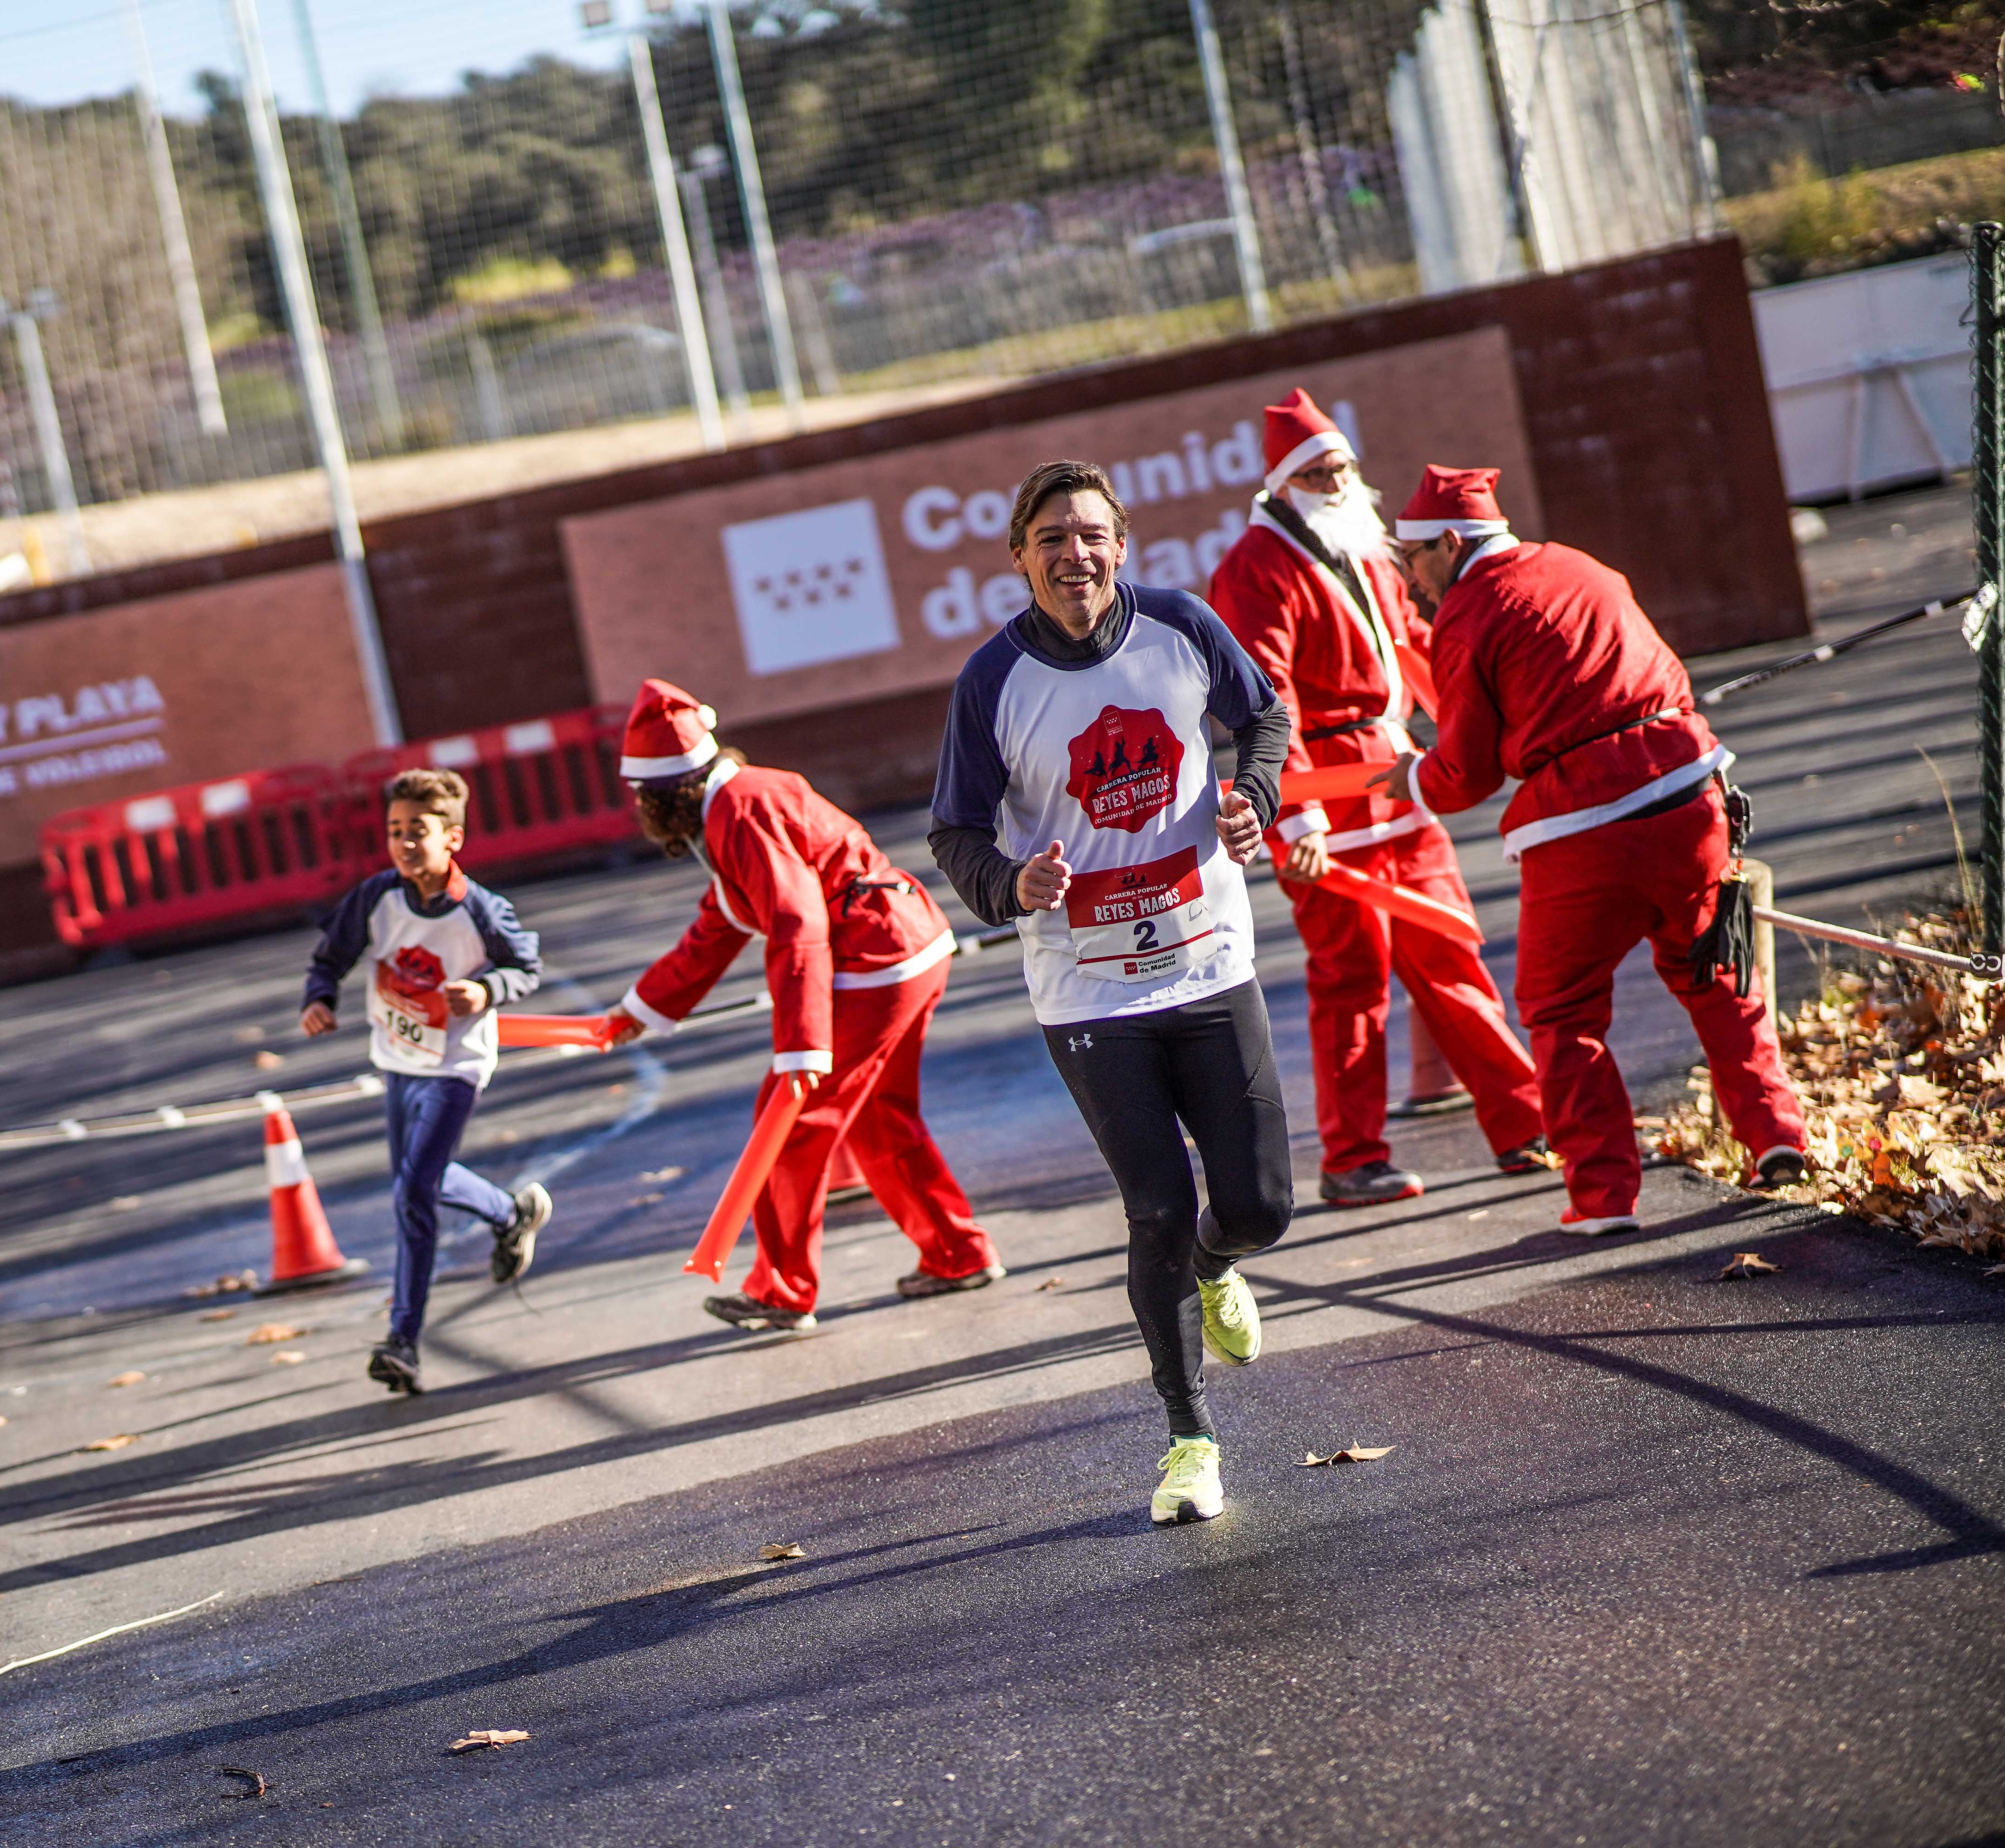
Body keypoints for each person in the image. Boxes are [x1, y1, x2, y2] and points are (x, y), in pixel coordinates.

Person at [930, 458, 1293, 1528]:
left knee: (1259, 1205)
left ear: (1121, 546)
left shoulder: (1181, 627)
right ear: (1020, 559)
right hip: (1087, 993)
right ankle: (1191, 1440)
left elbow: (1264, 718)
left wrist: (1255, 800)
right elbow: (954, 830)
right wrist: (1009, 882)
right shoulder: (991, 681)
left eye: (1091, 534)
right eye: (1051, 538)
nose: (1074, 554)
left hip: (1209, 958)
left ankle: (1221, 1263)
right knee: (1154, 1207)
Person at [1377, 465, 1808, 1234]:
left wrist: (1412, 776)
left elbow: (1466, 773)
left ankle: (1605, 1198)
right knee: (1715, 973)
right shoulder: (1581, 565)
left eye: (1412, 562)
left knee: (1563, 1010)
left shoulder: (1470, 614)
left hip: (1581, 832)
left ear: (1448, 542)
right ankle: (1777, 1135)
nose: (1411, 584)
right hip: (1689, 798)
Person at [1208, 390, 1548, 1206]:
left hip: (1398, 777)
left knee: (1452, 954)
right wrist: (1294, 812)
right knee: (1349, 979)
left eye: (1345, 466)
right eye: (1321, 471)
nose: (1339, 480)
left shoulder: (1360, 545)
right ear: (1284, 484)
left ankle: (1528, 1126)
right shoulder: (1253, 569)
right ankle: (1353, 1157)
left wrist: (1501, 728)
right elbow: (1264, 698)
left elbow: (1421, 646)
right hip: (1322, 795)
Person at [601, 678, 1002, 1332]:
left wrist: (801, 1049)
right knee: (879, 1118)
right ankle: (957, 1252)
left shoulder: (739, 811)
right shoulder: (737, 799)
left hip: (874, 958)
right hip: (907, 943)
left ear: (665, 790)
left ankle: (783, 1290)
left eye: (642, 797)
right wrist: (639, 1010)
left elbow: (796, 925)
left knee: (786, 1124)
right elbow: (721, 924)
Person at [301, 767, 554, 1393]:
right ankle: (508, 1213)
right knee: (415, 1189)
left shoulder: (481, 910)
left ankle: (403, 1342)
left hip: (455, 1064)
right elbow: (331, 954)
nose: (404, 844)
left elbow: (526, 966)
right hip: (397, 1061)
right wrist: (320, 998)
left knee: (414, 1190)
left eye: (419, 831)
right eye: (394, 831)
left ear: (454, 839)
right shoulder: (376, 898)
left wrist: (488, 988)